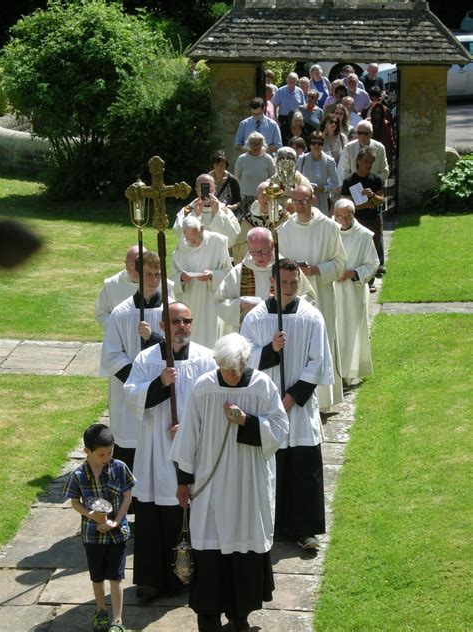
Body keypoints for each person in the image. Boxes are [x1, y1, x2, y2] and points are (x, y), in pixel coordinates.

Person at [171, 333, 289, 632]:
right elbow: (188, 437)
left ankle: (240, 617)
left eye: (235, 370)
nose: (231, 376)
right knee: (209, 551)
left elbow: (279, 427)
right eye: (225, 370)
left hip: (248, 485)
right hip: (211, 486)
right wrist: (183, 481)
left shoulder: (262, 385)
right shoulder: (204, 387)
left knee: (244, 549)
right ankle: (208, 620)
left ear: (245, 361)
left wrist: (248, 421)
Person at [123, 302, 216, 603]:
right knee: (152, 514)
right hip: (154, 449)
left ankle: (187, 574)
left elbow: (214, 404)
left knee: (190, 512)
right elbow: (131, 396)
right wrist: (160, 384)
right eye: (175, 322)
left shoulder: (206, 359)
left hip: (191, 450)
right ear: (162, 326)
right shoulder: (147, 359)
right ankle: (151, 580)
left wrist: (191, 430)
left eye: (187, 321)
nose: (182, 327)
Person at [240, 259, 333, 550]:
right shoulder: (254, 318)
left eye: (294, 282)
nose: (290, 288)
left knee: (304, 466)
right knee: (272, 465)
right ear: (272, 282)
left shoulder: (311, 316)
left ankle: (307, 530)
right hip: (267, 404)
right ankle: (276, 524)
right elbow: (242, 359)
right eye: (284, 282)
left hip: (299, 405)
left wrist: (291, 397)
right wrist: (270, 350)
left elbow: (318, 363)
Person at [100, 252, 170, 475]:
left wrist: (155, 337)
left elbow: (181, 349)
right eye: (148, 274)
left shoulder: (171, 310)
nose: (154, 279)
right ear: (136, 275)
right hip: (129, 394)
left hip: (163, 392)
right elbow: (112, 356)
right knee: (130, 449)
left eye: (157, 274)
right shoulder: (121, 313)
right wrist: (139, 382)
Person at [277, 185, 347, 410]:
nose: (300, 205)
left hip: (321, 291)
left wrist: (316, 269)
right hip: (292, 294)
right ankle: (294, 394)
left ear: (313, 199)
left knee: (321, 338)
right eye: (296, 202)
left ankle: (324, 400)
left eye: (304, 200)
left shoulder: (329, 227)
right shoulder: (285, 229)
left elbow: (340, 263)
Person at [64, 423, 135, 632]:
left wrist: (117, 520)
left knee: (116, 577)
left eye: (110, 453)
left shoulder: (119, 467)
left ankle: (118, 619)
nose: (107, 458)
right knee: (97, 576)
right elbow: (74, 502)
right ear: (87, 451)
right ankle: (101, 611)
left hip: (117, 534)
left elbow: (127, 496)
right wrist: (91, 516)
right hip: (92, 535)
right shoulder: (78, 475)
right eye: (102, 455)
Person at [216, 226, 317, 332]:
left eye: (263, 251)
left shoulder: (287, 268)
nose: (259, 257)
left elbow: (309, 297)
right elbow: (220, 301)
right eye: (254, 252)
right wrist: (240, 305)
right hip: (250, 332)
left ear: (272, 245)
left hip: (285, 330)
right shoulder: (238, 272)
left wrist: (285, 302)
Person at [333, 200, 379, 382]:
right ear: (334, 213)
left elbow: (373, 263)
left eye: (348, 216)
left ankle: (350, 374)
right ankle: (335, 375)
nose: (344, 220)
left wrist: (353, 273)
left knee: (351, 329)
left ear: (354, 214)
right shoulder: (327, 231)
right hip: (331, 288)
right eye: (340, 216)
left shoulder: (364, 236)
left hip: (353, 290)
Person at [171, 216, 232, 348]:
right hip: (190, 299)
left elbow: (229, 273)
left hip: (211, 301)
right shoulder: (181, 247)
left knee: (210, 338)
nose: (192, 242)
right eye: (189, 239)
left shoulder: (218, 242)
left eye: (195, 238)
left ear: (202, 229)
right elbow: (172, 277)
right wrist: (181, 278)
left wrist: (212, 275)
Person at [340, 147, 385, 284]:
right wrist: (365, 205)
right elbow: (345, 204)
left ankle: (370, 280)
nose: (368, 165)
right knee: (357, 251)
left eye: (371, 162)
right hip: (356, 221)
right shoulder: (349, 180)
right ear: (358, 161)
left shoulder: (376, 179)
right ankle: (356, 277)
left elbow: (381, 200)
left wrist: (372, 195)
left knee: (373, 250)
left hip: (373, 220)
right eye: (366, 161)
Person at [173, 174, 240, 248]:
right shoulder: (187, 211)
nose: (207, 193)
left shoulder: (225, 211)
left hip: (216, 256)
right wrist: (194, 215)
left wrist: (218, 214)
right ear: (197, 190)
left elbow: (233, 237)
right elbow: (179, 232)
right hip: (194, 255)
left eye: (210, 189)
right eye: (203, 189)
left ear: (215, 189)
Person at [94, 245, 145, 333]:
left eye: (141, 265)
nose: (137, 270)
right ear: (125, 264)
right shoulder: (112, 284)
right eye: (132, 265)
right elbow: (101, 313)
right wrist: (118, 329)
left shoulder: (162, 284)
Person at [296, 131, 340, 216]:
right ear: (310, 144)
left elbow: (335, 183)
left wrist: (323, 188)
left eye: (319, 143)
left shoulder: (330, 161)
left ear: (322, 145)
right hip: (305, 199)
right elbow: (296, 179)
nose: (316, 145)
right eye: (313, 143)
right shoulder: (302, 159)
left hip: (323, 200)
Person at [234, 132, 276, 218]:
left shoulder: (268, 159)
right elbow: (236, 178)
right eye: (253, 144)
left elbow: (273, 179)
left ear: (263, 144)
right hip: (244, 199)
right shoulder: (242, 159)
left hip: (263, 199)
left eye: (258, 144)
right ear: (248, 144)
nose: (256, 146)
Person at [337, 120, 389, 185]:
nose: (362, 136)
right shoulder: (349, 148)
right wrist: (356, 185)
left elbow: (384, 171)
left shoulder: (380, 148)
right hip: (354, 187)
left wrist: (375, 182)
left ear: (371, 134)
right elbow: (343, 171)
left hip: (374, 187)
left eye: (365, 133)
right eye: (359, 133)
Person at [272, 72, 305, 143]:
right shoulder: (280, 91)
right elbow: (274, 106)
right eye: (290, 81)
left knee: (296, 141)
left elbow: (303, 107)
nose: (292, 83)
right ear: (287, 80)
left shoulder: (300, 91)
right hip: (284, 119)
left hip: (296, 120)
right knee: (284, 141)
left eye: (294, 82)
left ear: (297, 81)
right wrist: (276, 120)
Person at [209, 150, 241, 215]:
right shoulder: (206, 179)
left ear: (225, 165)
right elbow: (201, 197)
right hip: (210, 213)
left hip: (226, 214)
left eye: (222, 165)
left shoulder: (232, 180)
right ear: (213, 165)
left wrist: (233, 207)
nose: (219, 168)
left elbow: (240, 201)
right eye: (217, 165)